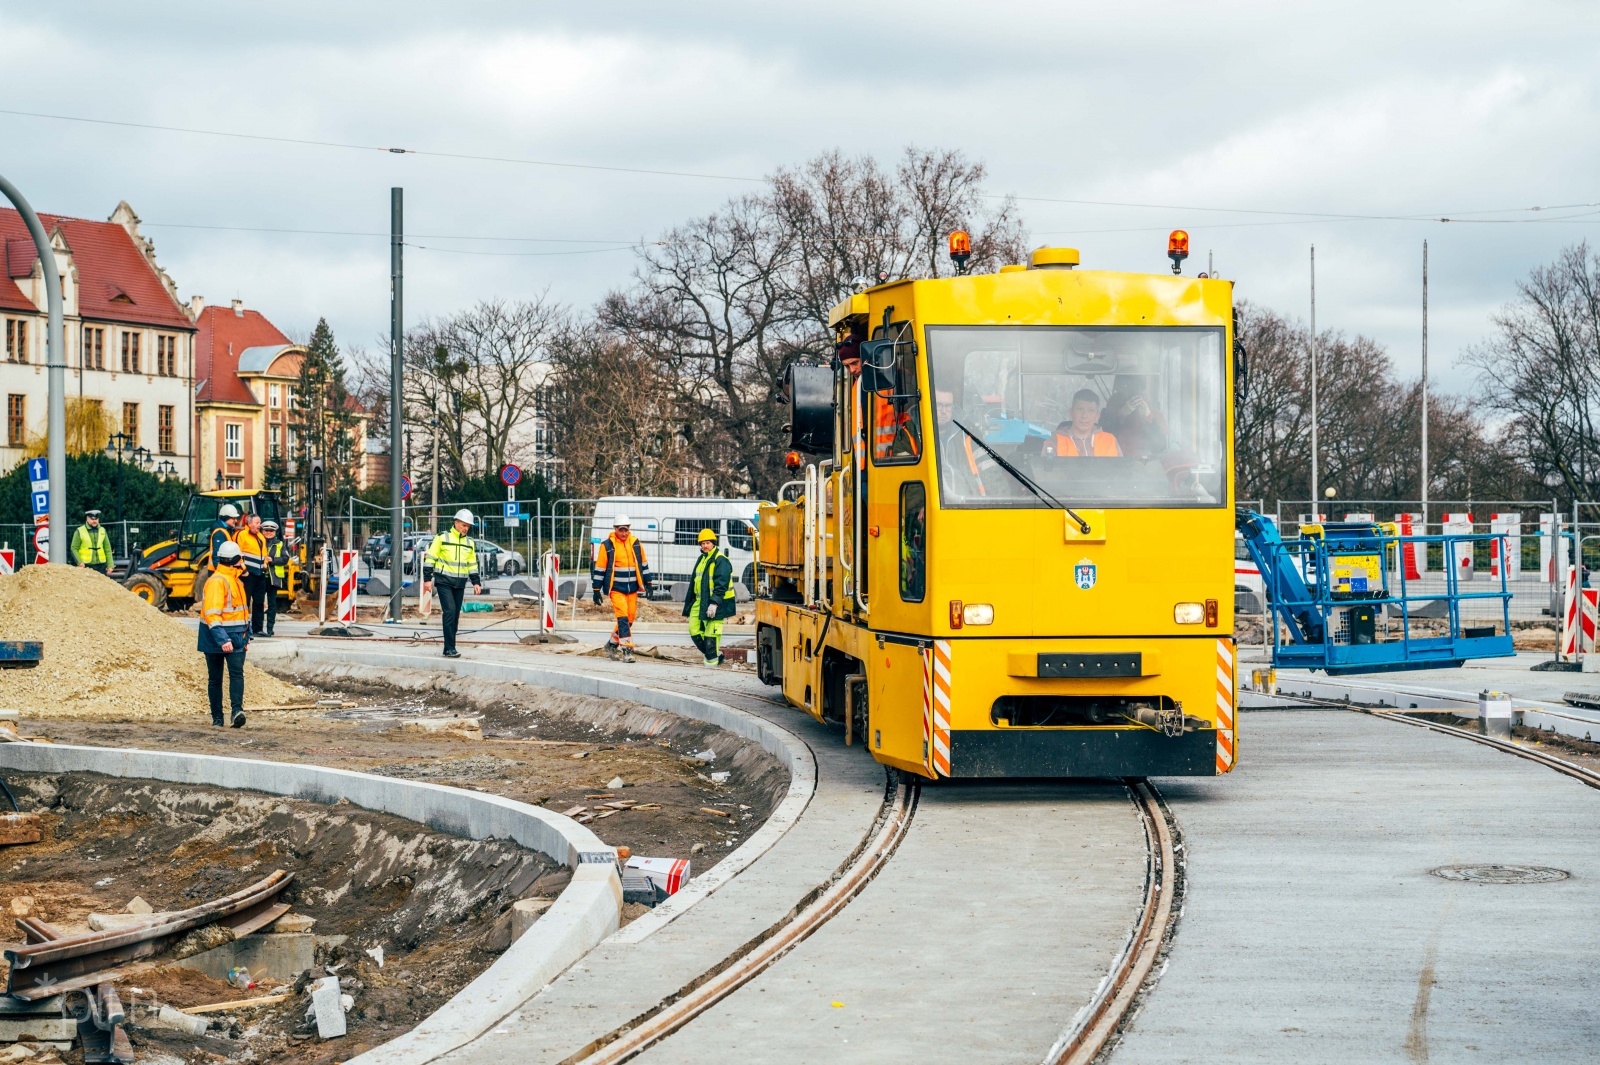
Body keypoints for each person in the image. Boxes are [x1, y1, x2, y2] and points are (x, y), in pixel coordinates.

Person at [198, 539, 250, 728]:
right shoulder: (217, 582)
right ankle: (217, 719)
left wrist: (247, 634)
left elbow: (242, 612)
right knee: (215, 678)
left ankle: (237, 711)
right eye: (240, 558)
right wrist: (222, 639)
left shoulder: (235, 579)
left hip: (235, 635)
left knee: (237, 674)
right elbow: (212, 614)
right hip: (216, 636)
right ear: (235, 559)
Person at [591, 514, 653, 663]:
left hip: (632, 589)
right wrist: (596, 590)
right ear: (615, 529)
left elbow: (643, 564)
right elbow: (600, 568)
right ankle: (627, 650)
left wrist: (649, 583)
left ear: (629, 529)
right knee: (623, 618)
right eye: (621, 530)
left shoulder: (635, 543)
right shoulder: (607, 546)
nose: (624, 533)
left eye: (626, 530)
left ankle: (611, 644)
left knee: (630, 618)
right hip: (616, 589)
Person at [422, 510, 483, 659]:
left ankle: (449, 647)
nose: (465, 528)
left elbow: (472, 564)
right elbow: (430, 558)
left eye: (468, 526)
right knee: (449, 611)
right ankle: (450, 648)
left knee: (455, 615)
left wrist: (476, 582)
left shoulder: (470, 543)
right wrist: (427, 579)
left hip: (460, 584)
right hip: (443, 581)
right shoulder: (442, 538)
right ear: (455, 522)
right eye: (463, 525)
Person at [683, 528, 736, 666]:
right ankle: (715, 656)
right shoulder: (702, 559)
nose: (705, 546)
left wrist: (714, 604)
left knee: (711, 636)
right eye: (702, 543)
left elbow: (721, 585)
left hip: (717, 604)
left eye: (707, 543)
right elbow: (695, 581)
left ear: (713, 543)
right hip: (700, 601)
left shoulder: (720, 560)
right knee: (693, 630)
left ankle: (711, 665)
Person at [1099, 376, 1169, 457]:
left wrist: (1148, 417)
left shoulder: (1155, 415)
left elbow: (1161, 448)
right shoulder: (1108, 413)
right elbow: (1101, 439)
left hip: (1145, 464)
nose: (1130, 395)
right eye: (1123, 391)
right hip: (1113, 462)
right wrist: (1121, 414)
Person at [1052, 390, 1121, 457]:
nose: (1084, 415)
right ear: (1071, 412)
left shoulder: (1110, 441)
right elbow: (1046, 467)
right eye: (1080, 409)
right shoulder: (1055, 441)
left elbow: (1121, 468)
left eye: (1091, 410)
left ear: (1097, 415)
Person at [233, 513, 269, 636]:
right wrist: (244, 571)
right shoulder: (241, 535)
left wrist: (264, 569)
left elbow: (264, 554)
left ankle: (258, 629)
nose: (260, 525)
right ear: (249, 523)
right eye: (257, 523)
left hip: (259, 575)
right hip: (247, 575)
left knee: (259, 602)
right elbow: (237, 554)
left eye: (260, 523)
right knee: (245, 602)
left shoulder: (261, 537)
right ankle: (243, 628)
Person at [262, 519, 288, 637]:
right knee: (258, 603)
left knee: (272, 604)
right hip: (260, 577)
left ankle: (269, 628)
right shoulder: (258, 542)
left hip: (273, 578)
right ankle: (257, 628)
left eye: (271, 531)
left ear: (275, 532)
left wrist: (273, 561)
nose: (268, 532)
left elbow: (285, 559)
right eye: (266, 530)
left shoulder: (279, 544)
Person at [72, 509, 113, 574]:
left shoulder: (102, 530)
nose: (94, 521)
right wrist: (79, 562)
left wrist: (110, 565)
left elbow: (107, 549)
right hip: (86, 565)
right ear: (87, 519)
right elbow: (74, 548)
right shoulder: (79, 531)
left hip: (101, 565)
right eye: (92, 519)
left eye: (96, 519)